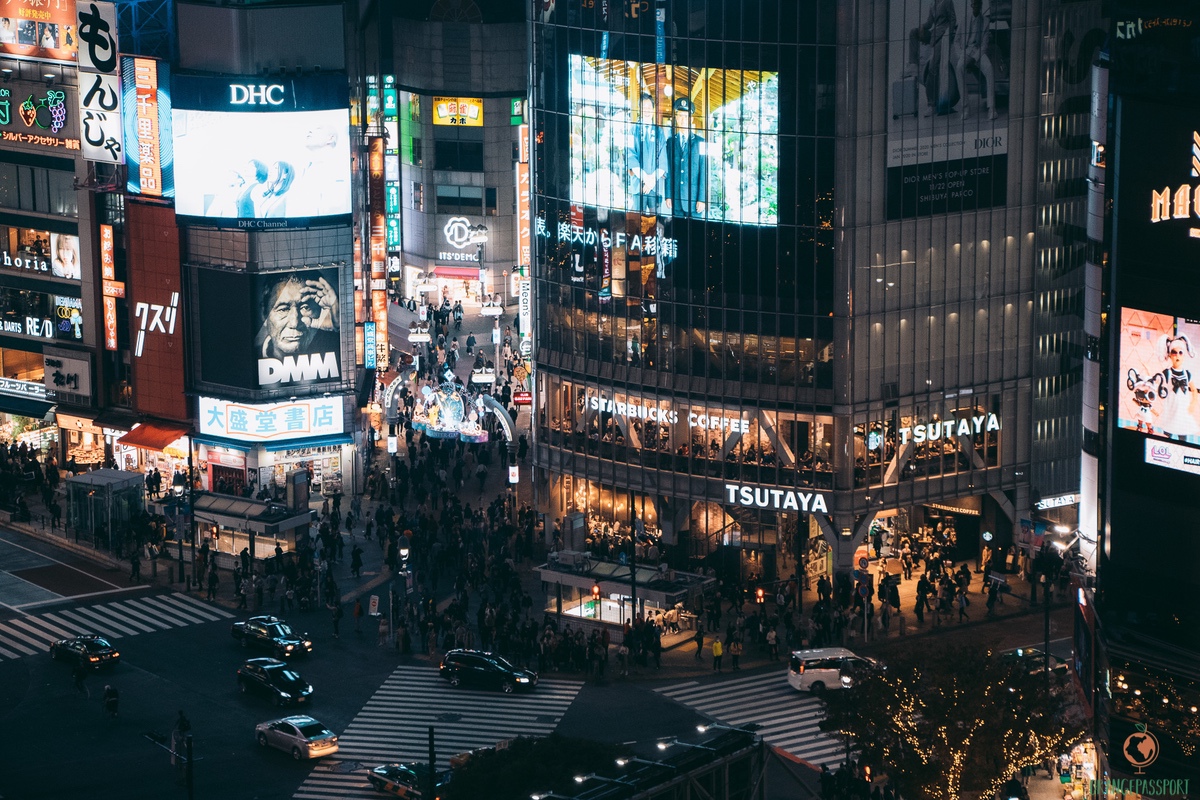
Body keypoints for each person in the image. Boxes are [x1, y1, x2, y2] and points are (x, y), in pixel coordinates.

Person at [257, 272, 340, 361]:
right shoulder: (251, 359)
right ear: (264, 313)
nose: (295, 323)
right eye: (283, 309)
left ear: (321, 311)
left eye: (306, 308)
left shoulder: (337, 349)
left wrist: (339, 326)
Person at [663, 98, 708, 219]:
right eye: (680, 116)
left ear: (691, 119)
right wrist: (668, 195)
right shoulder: (670, 142)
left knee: (696, 235)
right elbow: (669, 170)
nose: (683, 119)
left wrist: (702, 199)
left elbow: (704, 172)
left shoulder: (701, 142)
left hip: (694, 202)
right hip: (676, 199)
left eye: (686, 116)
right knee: (678, 234)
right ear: (676, 118)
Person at [954, 0, 997, 120]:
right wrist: (962, 55)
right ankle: (965, 108)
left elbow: (984, 45)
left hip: (978, 52)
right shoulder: (965, 19)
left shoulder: (985, 22)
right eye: (974, 4)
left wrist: (975, 58)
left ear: (981, 5)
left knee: (989, 69)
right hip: (966, 51)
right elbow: (956, 41)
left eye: (978, 4)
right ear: (971, 5)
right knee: (959, 68)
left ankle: (992, 108)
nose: (976, 6)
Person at [626, 93, 666, 214]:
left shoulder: (659, 131)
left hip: (655, 185)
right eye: (644, 107)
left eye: (649, 107)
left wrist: (652, 180)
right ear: (639, 109)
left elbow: (663, 156)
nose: (647, 110)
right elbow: (630, 155)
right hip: (639, 185)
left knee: (656, 220)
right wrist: (645, 178)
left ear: (653, 109)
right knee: (638, 220)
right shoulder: (633, 130)